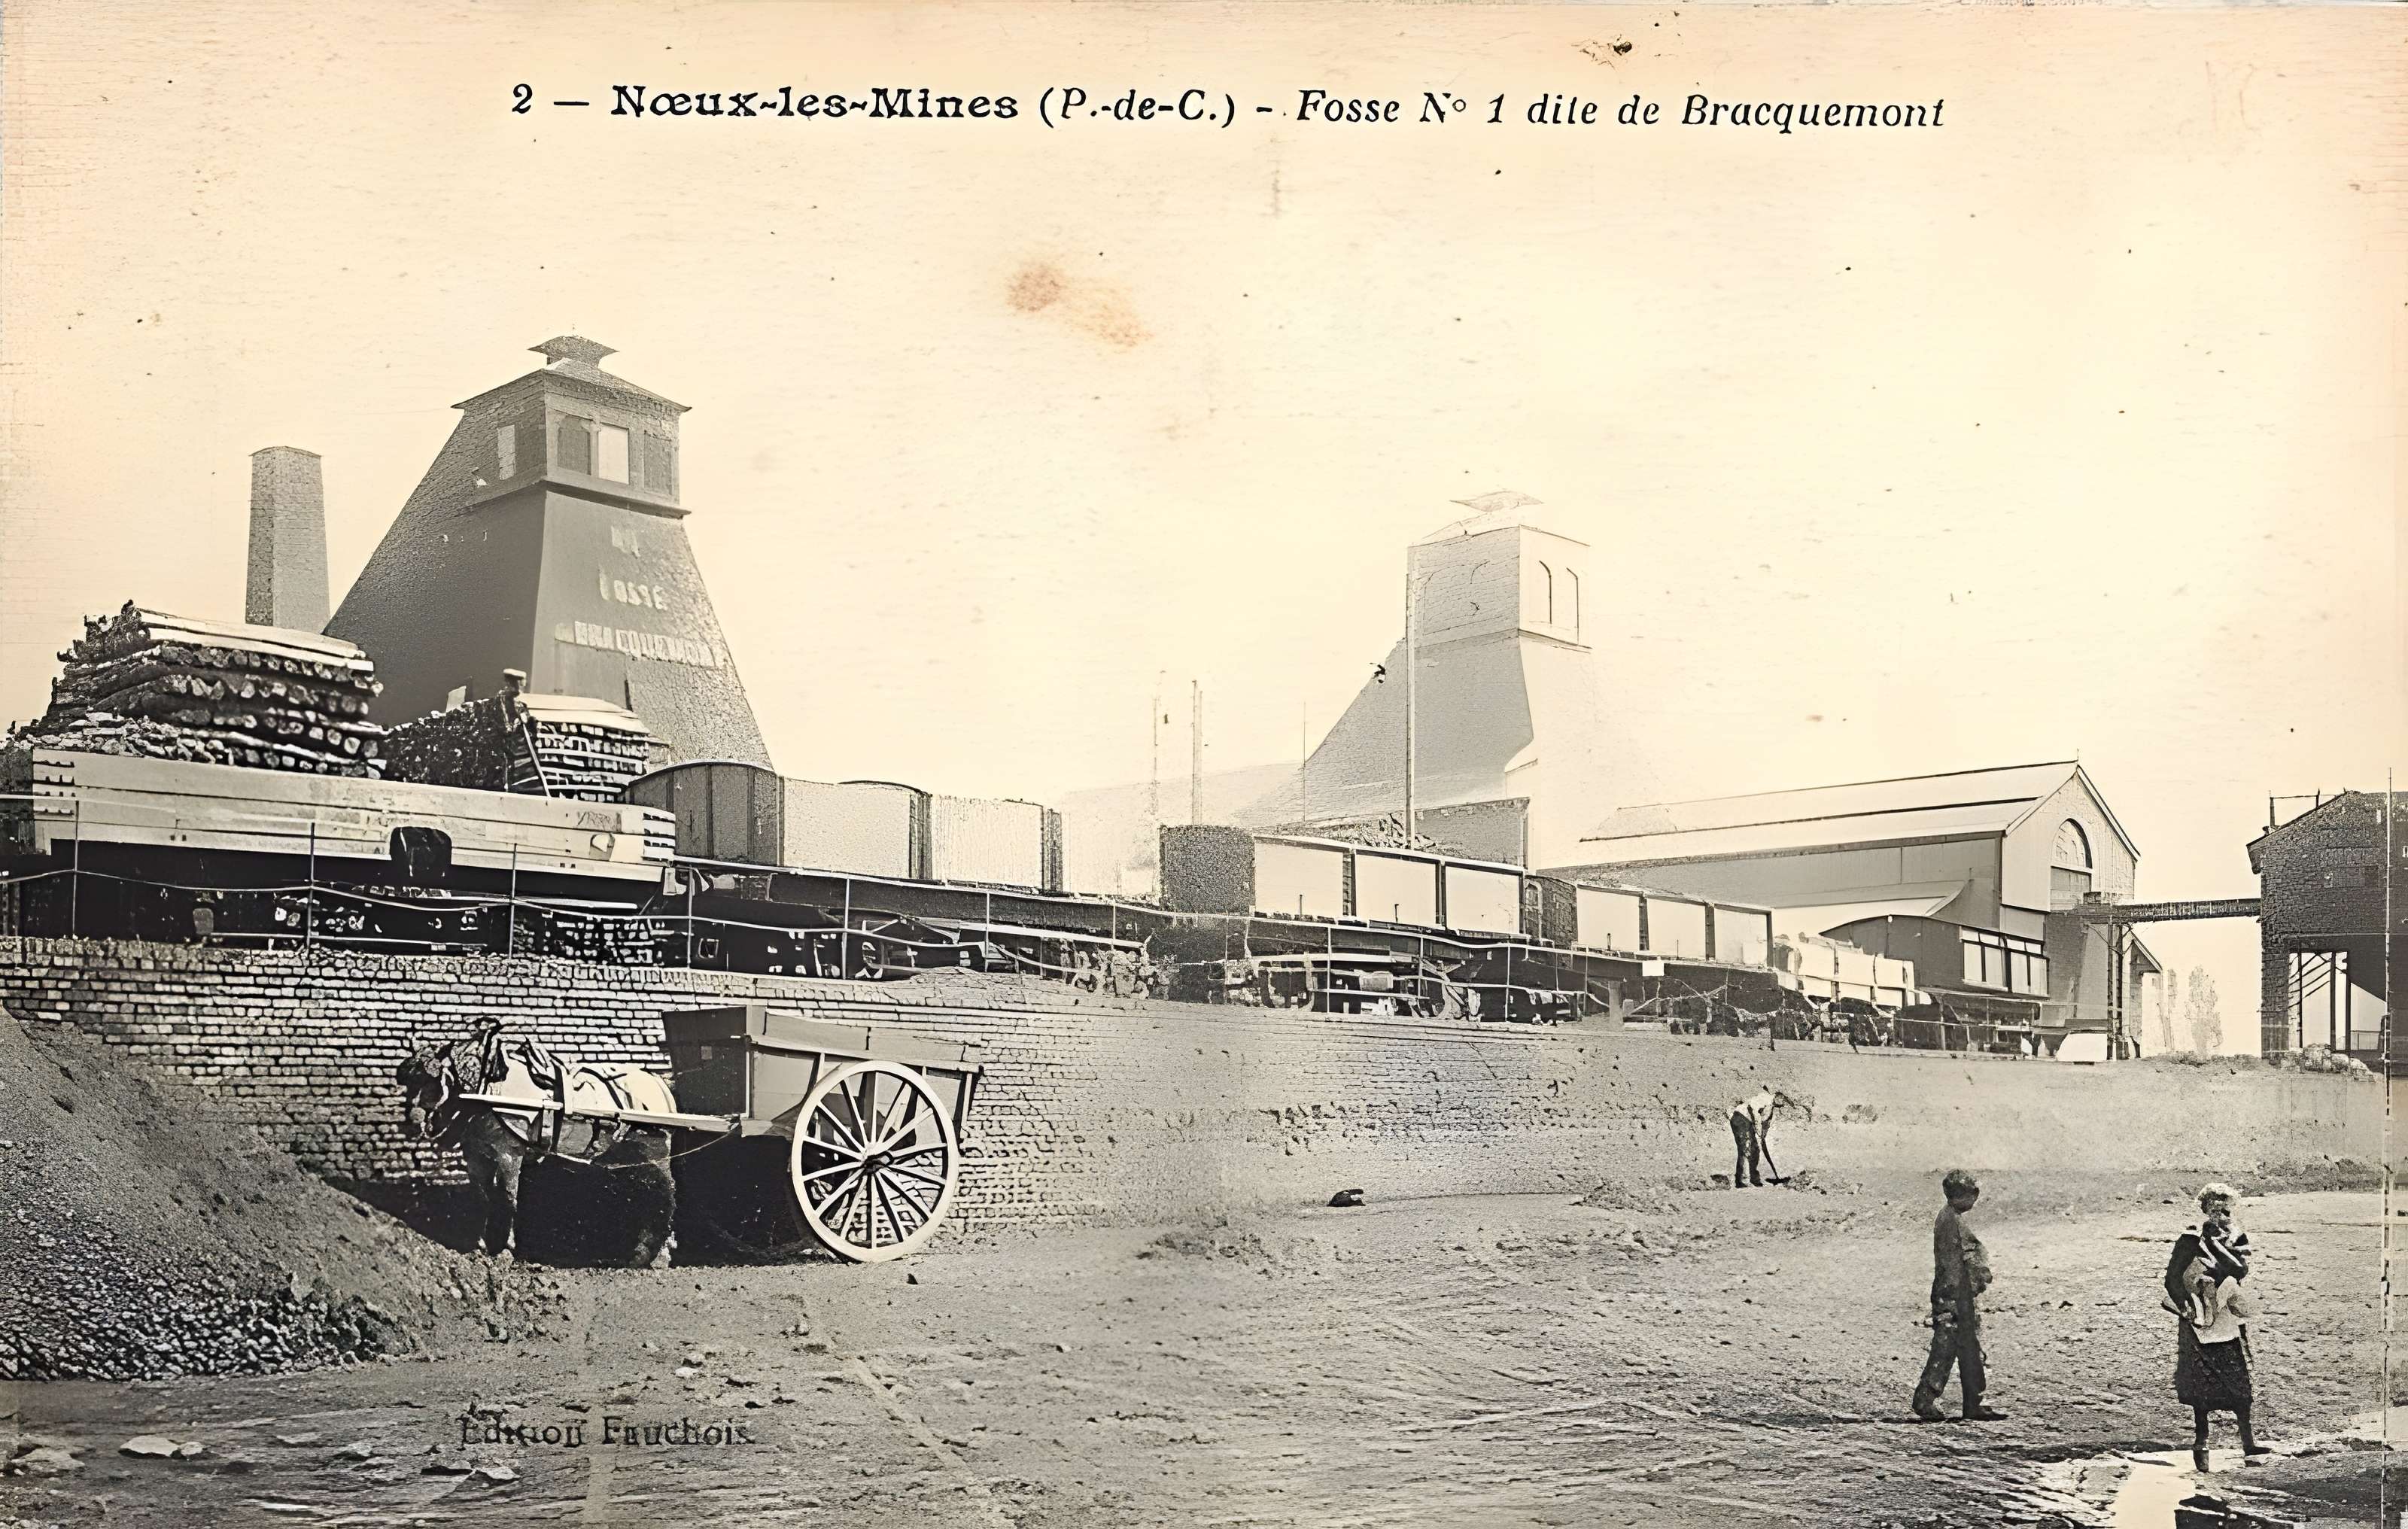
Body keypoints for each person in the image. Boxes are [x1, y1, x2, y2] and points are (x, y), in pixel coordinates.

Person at [2163, 1183, 2270, 1471]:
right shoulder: (2190, 1240)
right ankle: (2202, 1446)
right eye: (2215, 1209)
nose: (2221, 1215)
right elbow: (2172, 1278)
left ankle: (2248, 1443)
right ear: (2205, 1209)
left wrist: (2226, 1258)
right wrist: (2185, 1305)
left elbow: (2241, 1272)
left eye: (2226, 1210)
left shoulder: (2235, 1240)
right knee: (2202, 1387)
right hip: (2196, 1320)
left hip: (2224, 1318)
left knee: (2239, 1383)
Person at [1912, 1168, 2005, 1422]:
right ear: (1961, 1196)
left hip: (1956, 1293)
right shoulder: (1950, 1221)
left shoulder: (1950, 1219)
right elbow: (1964, 1259)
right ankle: (1925, 1399)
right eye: (1972, 1196)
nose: (1974, 1200)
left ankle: (1973, 1403)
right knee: (1946, 1348)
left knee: (1969, 1348)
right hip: (1952, 1295)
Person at [1728, 1087, 1777, 1187]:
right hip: (1741, 1119)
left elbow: (1765, 1126)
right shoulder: (1766, 1098)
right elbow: (1753, 1109)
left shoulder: (1771, 1110)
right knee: (1746, 1150)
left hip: (1749, 1123)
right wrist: (1758, 1130)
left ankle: (1754, 1179)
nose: (1784, 1103)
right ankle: (1743, 1181)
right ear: (1779, 1097)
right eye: (1783, 1100)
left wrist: (1762, 1136)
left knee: (1755, 1150)